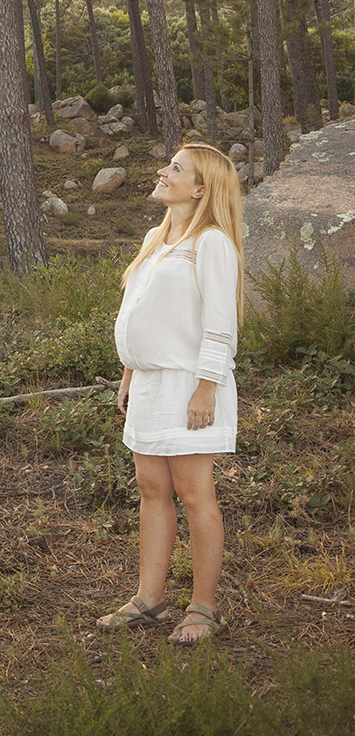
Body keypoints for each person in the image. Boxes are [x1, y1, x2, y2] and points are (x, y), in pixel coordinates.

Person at [97, 142, 244, 646]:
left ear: (200, 188)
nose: (163, 171)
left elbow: (221, 326)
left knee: (195, 493)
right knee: (151, 489)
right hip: (151, 382)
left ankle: (204, 607)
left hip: (190, 383)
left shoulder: (211, 243)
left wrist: (207, 388)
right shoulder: (156, 238)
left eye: (175, 168)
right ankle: (149, 597)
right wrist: (128, 373)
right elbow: (139, 313)